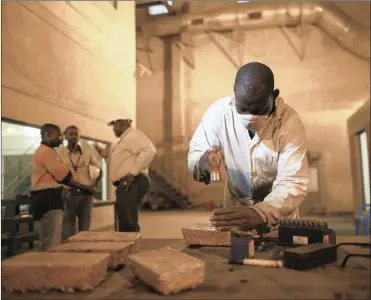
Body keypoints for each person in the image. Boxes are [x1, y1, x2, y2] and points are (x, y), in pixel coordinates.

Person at [188, 62, 309, 232]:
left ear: (274, 95)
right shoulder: (219, 113)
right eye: (243, 108)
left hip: (279, 218)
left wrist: (262, 212)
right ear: (234, 93)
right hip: (235, 215)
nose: (250, 117)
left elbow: (293, 182)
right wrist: (202, 162)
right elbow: (196, 154)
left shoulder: (290, 123)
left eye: (259, 109)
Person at [30, 124, 94, 251]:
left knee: (49, 240)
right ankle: (51, 268)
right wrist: (86, 188)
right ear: (48, 135)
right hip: (48, 200)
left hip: (47, 198)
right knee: (52, 243)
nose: (61, 138)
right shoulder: (48, 153)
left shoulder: (45, 151)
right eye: (58, 135)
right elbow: (64, 177)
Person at [94, 116, 156, 232]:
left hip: (132, 181)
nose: (113, 129)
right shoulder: (125, 139)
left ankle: (130, 247)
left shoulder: (133, 135)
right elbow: (120, 161)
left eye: (115, 126)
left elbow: (149, 151)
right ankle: (127, 246)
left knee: (127, 220)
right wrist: (103, 153)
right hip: (128, 182)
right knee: (124, 217)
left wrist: (132, 173)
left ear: (123, 124)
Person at [57, 125, 102, 240]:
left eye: (76, 134)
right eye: (70, 134)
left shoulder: (87, 152)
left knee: (85, 228)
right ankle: (70, 254)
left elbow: (99, 169)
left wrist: (95, 185)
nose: (73, 136)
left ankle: (84, 254)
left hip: (86, 194)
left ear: (79, 136)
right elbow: (59, 176)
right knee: (68, 228)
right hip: (68, 194)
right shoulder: (59, 153)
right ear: (65, 136)